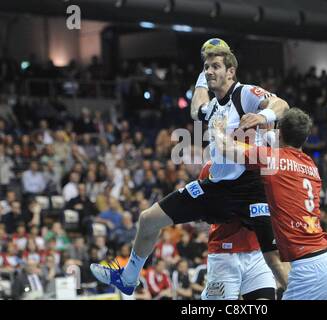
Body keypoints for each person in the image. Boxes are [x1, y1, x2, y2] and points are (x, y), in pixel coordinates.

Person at [90, 43, 289, 295]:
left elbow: (282, 104)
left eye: (216, 67)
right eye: (206, 67)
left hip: (250, 191)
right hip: (216, 190)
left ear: (231, 72)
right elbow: (197, 109)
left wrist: (264, 117)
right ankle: (129, 277)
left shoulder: (244, 94)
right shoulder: (215, 106)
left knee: (276, 263)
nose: (210, 71)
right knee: (147, 219)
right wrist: (202, 77)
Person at [213, 107, 327, 299]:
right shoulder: (311, 165)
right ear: (306, 139)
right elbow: (284, 145)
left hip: (309, 268)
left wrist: (218, 128)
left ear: (280, 132)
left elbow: (225, 148)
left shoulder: (271, 159)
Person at [199, 162, 277, 300]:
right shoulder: (212, 166)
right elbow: (203, 207)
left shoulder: (265, 165)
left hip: (257, 254)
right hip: (223, 255)